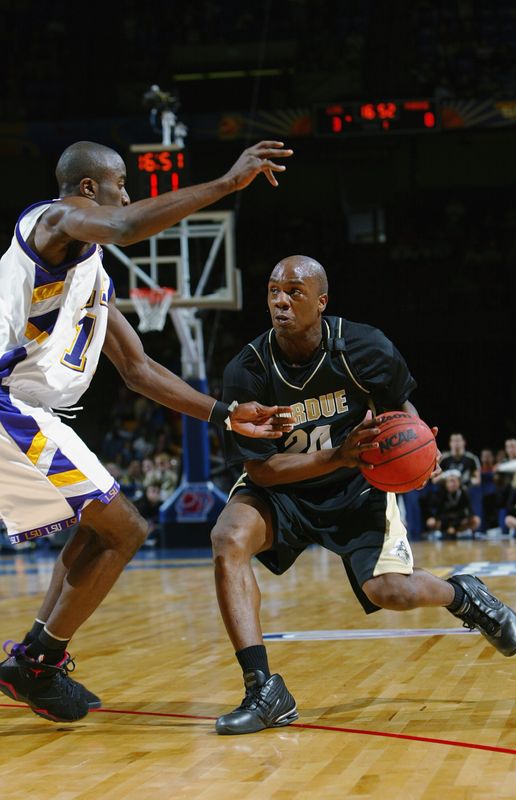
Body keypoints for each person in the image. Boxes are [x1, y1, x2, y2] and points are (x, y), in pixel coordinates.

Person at [0, 139, 295, 723]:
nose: (127, 193)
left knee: (100, 528)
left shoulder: (89, 269)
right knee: (125, 530)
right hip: (7, 406)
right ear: (89, 189)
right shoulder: (50, 220)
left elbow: (138, 370)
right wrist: (226, 185)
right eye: (121, 182)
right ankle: (37, 664)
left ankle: (33, 659)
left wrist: (223, 413)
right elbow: (131, 224)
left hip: (33, 414)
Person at [210, 254, 516, 736]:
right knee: (228, 537)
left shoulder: (361, 346)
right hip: (284, 486)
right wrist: (334, 456)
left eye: (294, 291)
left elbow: (401, 408)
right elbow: (261, 470)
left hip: (358, 487)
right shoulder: (247, 369)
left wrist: (421, 447)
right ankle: (264, 689)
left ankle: (463, 595)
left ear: (322, 301)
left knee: (392, 592)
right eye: (273, 290)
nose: (280, 301)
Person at [425, 470, 481, 539]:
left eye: (454, 481)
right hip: (446, 521)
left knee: (476, 520)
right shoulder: (442, 493)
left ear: (459, 482)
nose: (452, 484)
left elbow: (470, 511)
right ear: (445, 483)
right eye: (449, 481)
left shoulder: (464, 493)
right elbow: (438, 513)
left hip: (459, 520)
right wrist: (448, 526)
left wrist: (455, 526)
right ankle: (442, 532)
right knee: (430, 522)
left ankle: (460, 532)